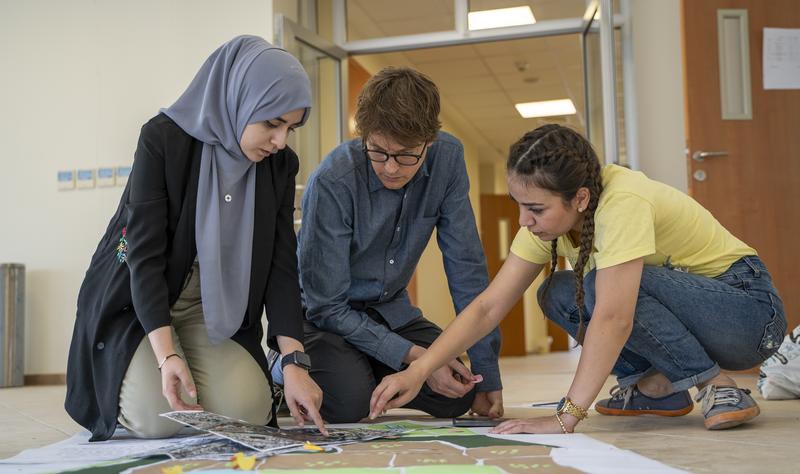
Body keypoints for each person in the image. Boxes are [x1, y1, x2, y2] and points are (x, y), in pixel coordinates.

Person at [370, 124, 787, 433]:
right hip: (706, 315)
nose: (524, 221)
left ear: (581, 198)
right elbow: (486, 307)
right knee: (556, 292)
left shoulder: (622, 202)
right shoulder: (548, 222)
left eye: (535, 209)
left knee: (597, 290)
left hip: (748, 316)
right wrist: (419, 369)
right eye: (518, 205)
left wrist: (566, 416)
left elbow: (613, 317)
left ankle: (715, 383)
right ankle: (654, 384)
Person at [65, 35, 327, 441]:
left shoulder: (279, 166)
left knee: (249, 411)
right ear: (236, 100)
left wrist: (294, 363)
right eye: (271, 123)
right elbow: (144, 255)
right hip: (140, 307)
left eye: (291, 127)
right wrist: (167, 355)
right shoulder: (163, 140)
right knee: (157, 418)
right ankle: (160, 360)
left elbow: (280, 266)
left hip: (213, 313)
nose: (281, 142)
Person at [285, 67, 503, 423]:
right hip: (324, 319)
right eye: (378, 152)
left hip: (390, 311)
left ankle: (366, 366)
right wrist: (416, 358)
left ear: (430, 141)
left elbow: (467, 267)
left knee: (458, 391)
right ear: (364, 135)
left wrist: (488, 373)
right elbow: (326, 306)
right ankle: (293, 374)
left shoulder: (448, 160)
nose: (389, 168)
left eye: (405, 155)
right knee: (349, 403)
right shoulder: (333, 180)